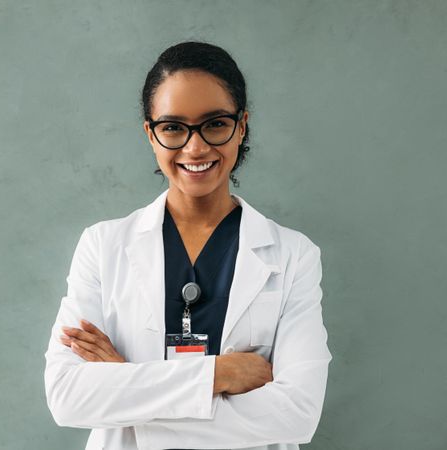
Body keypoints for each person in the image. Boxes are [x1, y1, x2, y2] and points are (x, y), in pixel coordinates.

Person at [44, 41, 332, 450]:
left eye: (215, 124)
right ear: (151, 133)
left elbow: (298, 414)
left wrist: (127, 386)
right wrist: (220, 375)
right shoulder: (103, 246)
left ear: (242, 125)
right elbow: (68, 397)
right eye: (174, 127)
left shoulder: (293, 256)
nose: (195, 148)